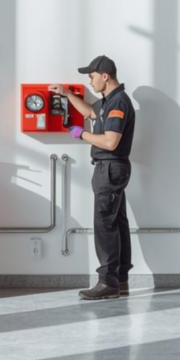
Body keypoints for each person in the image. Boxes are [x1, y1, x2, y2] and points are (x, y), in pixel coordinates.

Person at [50, 55, 136, 300]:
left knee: (104, 225)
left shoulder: (118, 102)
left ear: (105, 76)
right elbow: (91, 113)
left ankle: (107, 283)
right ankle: (120, 280)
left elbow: (110, 141)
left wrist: (82, 135)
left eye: (92, 76)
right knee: (117, 223)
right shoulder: (110, 101)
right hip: (112, 168)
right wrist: (67, 94)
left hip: (109, 168)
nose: (89, 81)